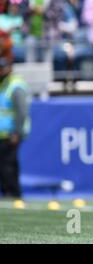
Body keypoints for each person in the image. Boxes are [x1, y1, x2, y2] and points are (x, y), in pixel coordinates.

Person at [0, 30, 31, 198]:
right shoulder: (3, 84)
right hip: (2, 133)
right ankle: (7, 191)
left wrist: (17, 133)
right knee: (3, 165)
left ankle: (13, 192)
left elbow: (21, 111)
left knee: (8, 165)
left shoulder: (15, 85)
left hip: (11, 133)